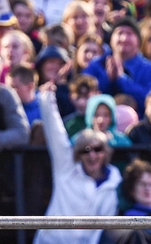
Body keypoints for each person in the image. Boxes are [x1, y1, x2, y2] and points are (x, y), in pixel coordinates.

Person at [36, 83, 121, 244]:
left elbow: (101, 228)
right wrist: (47, 99)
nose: (92, 155)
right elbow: (56, 134)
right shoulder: (66, 168)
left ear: (105, 152)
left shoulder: (113, 181)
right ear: (78, 154)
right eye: (85, 150)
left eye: (97, 149)